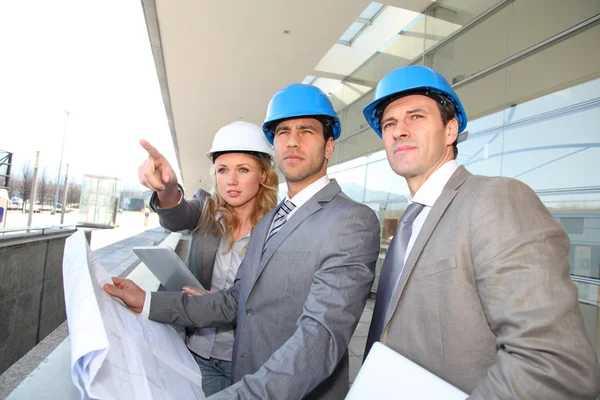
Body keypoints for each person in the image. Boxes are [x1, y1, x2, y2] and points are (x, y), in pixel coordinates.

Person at [105, 83, 380, 399]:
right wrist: (148, 301)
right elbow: (237, 299)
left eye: (306, 131)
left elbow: (320, 337)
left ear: (329, 146)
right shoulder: (274, 220)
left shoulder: (351, 219)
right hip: (240, 369)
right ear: (275, 147)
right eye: (282, 132)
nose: (292, 141)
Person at [361, 65, 600, 399]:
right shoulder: (411, 221)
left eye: (416, 117)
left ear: (450, 130)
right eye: (389, 123)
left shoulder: (495, 199)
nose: (399, 130)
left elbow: (552, 365)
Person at [136, 121, 279, 395]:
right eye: (223, 170)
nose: (231, 181)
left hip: (246, 360)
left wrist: (217, 303)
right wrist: (167, 188)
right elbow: (177, 216)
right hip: (197, 352)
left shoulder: (279, 228)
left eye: (243, 170)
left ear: (263, 175)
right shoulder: (205, 209)